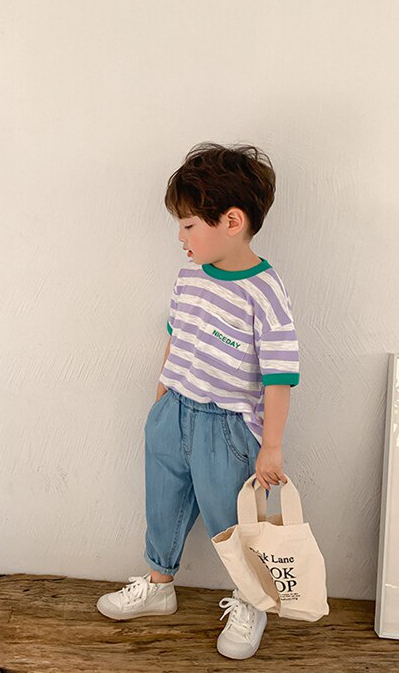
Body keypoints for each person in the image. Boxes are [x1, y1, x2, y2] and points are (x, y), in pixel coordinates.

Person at [96, 143, 300, 660]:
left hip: (227, 428)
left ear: (232, 221)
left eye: (188, 225)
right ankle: (159, 584)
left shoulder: (264, 292)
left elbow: (279, 375)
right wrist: (161, 400)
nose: (180, 237)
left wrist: (271, 446)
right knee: (163, 503)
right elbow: (176, 336)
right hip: (174, 412)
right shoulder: (189, 275)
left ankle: (251, 601)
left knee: (233, 521)